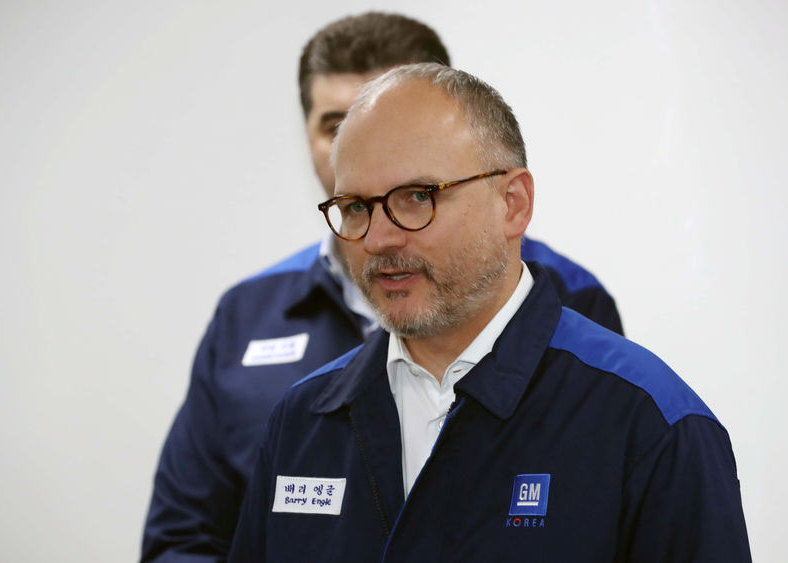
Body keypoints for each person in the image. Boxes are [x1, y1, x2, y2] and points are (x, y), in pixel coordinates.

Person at [142, 13, 622, 562]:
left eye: (389, 113)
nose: (360, 138)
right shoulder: (247, 314)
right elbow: (184, 535)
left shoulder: (565, 298)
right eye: (333, 123)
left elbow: (602, 510)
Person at [227, 63, 751, 562]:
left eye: (416, 196)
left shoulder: (650, 423)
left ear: (513, 203)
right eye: (356, 207)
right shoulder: (301, 423)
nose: (379, 237)